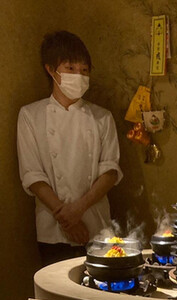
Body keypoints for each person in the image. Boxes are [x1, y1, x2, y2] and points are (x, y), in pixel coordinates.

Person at [17, 30, 123, 266]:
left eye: (84, 70)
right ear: (50, 70)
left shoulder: (102, 117)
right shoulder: (30, 115)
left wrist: (78, 210)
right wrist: (67, 218)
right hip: (53, 228)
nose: (79, 75)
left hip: (96, 225)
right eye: (71, 68)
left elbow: (110, 171)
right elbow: (32, 175)